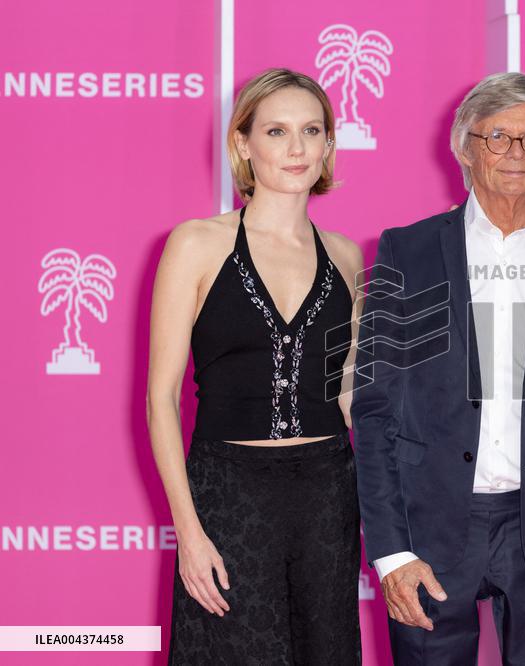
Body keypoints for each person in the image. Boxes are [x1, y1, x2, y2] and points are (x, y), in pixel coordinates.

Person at [351, 72, 525, 665]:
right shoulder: (408, 251)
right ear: (465, 147)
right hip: (428, 533)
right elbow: (374, 410)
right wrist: (391, 554)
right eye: (498, 137)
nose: (516, 154)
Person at [147, 68, 363, 665]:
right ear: (243, 143)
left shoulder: (347, 258)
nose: (296, 149)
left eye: (311, 131)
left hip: (326, 493)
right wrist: (188, 533)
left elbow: (352, 396)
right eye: (276, 131)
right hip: (228, 494)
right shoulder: (195, 243)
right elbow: (160, 398)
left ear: (329, 145)